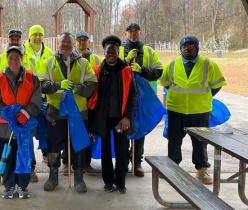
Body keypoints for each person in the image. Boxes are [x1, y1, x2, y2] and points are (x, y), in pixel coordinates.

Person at [159, 35, 227, 185]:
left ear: (197, 48)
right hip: (176, 110)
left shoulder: (208, 64)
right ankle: (173, 168)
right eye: (184, 47)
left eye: (191, 46)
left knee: (200, 141)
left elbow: (217, 84)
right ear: (180, 49)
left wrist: (204, 97)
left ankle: (202, 169)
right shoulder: (172, 64)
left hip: (200, 111)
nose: (187, 49)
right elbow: (164, 83)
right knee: (174, 140)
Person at [38, 32, 97, 193]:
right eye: (63, 43)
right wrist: (58, 85)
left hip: (78, 112)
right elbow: (41, 85)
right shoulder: (48, 62)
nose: (66, 46)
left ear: (73, 45)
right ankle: (53, 176)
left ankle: (79, 177)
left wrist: (80, 88)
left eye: (69, 43)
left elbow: (93, 85)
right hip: (55, 112)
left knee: (78, 145)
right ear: (58, 44)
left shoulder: (83, 63)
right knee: (53, 146)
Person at [0, 45, 42, 199]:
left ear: (22, 59)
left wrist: (26, 113)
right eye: (11, 58)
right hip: (6, 127)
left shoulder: (32, 78)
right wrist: (6, 113)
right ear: (7, 59)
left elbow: (37, 98)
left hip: (24, 127)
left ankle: (23, 186)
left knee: (24, 157)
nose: (14, 60)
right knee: (8, 156)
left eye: (17, 58)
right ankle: (9, 185)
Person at [89, 35, 137, 194]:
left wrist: (127, 117)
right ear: (104, 52)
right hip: (103, 119)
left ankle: (121, 182)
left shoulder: (126, 71)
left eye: (114, 51)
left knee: (122, 150)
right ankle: (108, 182)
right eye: (108, 51)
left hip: (120, 119)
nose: (111, 53)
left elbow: (132, 96)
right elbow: (92, 97)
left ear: (118, 52)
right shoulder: (97, 71)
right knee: (105, 151)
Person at [119, 23, 163, 177]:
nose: (133, 34)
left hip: (143, 97)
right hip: (123, 95)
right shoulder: (118, 49)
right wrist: (125, 61)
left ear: (140, 32)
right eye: (130, 31)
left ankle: (137, 162)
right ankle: (123, 162)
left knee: (139, 128)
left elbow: (158, 72)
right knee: (123, 127)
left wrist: (142, 70)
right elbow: (110, 70)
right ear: (126, 33)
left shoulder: (149, 51)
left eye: (136, 31)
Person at [69, 31, 102, 176]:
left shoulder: (95, 58)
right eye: (79, 40)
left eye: (85, 40)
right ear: (75, 43)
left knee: (89, 133)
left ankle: (86, 162)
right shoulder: (69, 57)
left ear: (89, 42)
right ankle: (68, 162)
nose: (82, 43)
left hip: (92, 102)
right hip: (75, 101)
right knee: (71, 133)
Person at [24, 24, 53, 164]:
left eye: (40, 34)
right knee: (28, 130)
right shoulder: (23, 51)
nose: (37, 37)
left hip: (45, 97)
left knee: (46, 126)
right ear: (29, 36)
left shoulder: (49, 53)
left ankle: (46, 152)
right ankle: (31, 164)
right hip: (27, 99)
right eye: (34, 34)